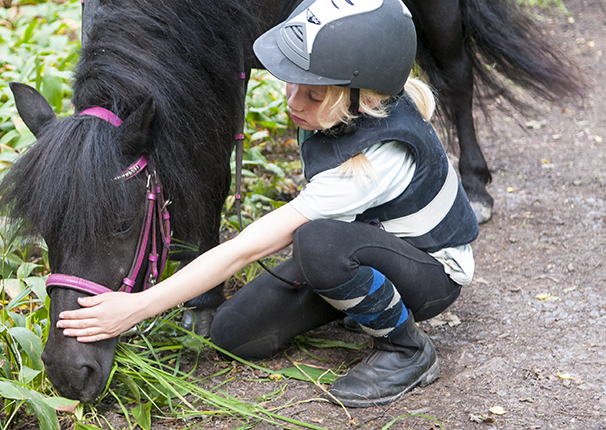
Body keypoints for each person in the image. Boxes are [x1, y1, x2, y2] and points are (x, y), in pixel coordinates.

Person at [57, 0, 479, 408]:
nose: (294, 103)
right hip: (365, 244)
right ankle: (359, 296)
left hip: (429, 271)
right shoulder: (337, 113)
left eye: (313, 96)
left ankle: (406, 349)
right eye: (292, 83)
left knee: (315, 242)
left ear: (359, 98)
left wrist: (135, 308)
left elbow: (247, 248)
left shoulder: (371, 160)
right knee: (232, 334)